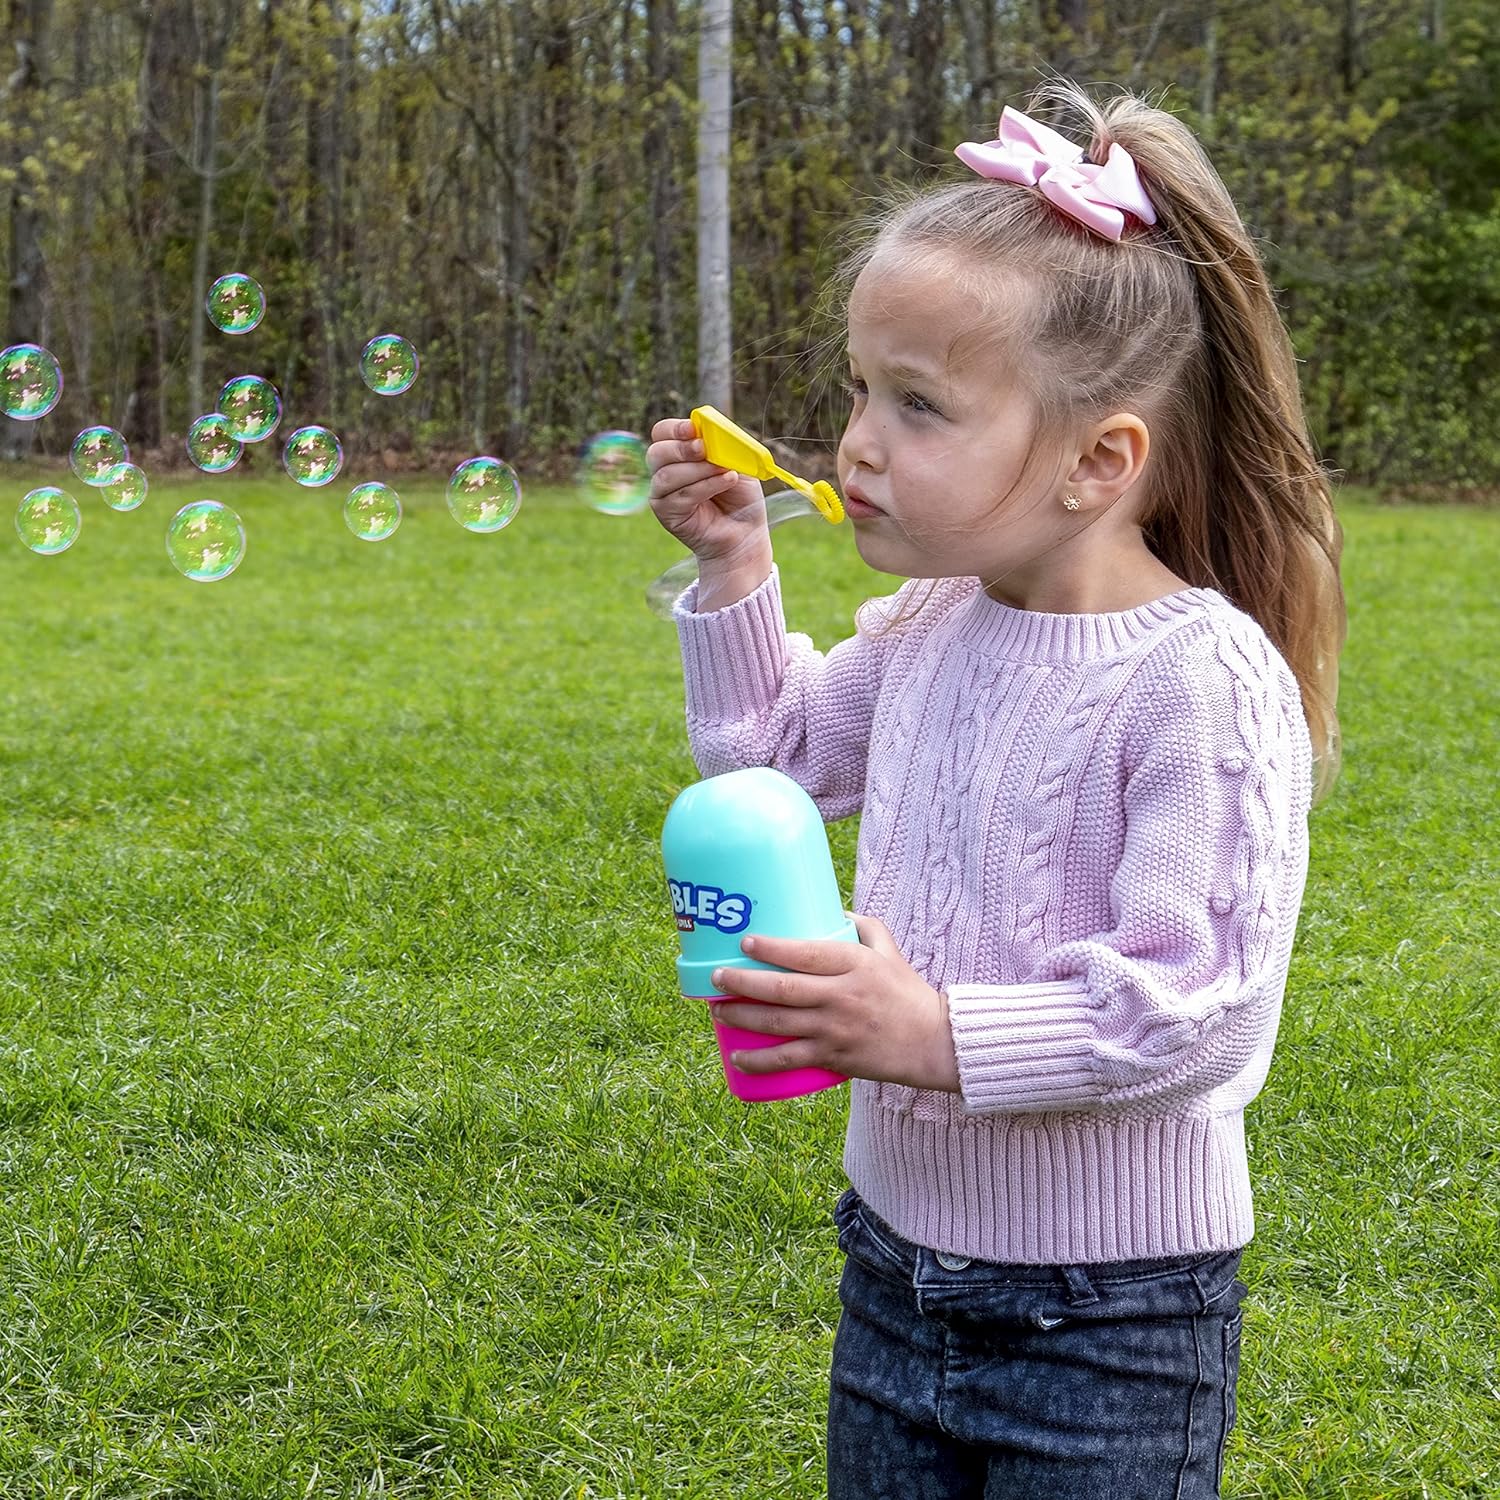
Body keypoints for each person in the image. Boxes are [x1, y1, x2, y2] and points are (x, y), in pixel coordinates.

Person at [646, 78, 1344, 1500]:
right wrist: (735, 571)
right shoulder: (928, 625)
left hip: (1112, 1312)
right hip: (894, 1261)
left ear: (1101, 462)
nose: (854, 444)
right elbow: (779, 763)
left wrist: (933, 1031)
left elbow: (1200, 1006)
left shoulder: (1198, 681)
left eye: (919, 405)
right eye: (859, 389)